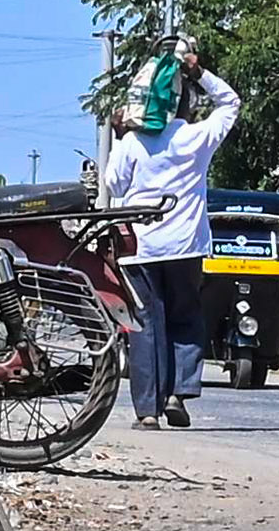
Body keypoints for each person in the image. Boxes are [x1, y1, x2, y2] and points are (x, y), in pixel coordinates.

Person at [88, 43, 243, 427]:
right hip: (186, 245)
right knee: (185, 316)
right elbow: (230, 103)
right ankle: (178, 393)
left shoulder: (132, 142)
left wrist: (120, 135)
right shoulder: (196, 137)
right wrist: (198, 71)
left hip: (140, 247)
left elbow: (114, 184)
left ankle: (147, 413)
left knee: (145, 324)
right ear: (184, 104)